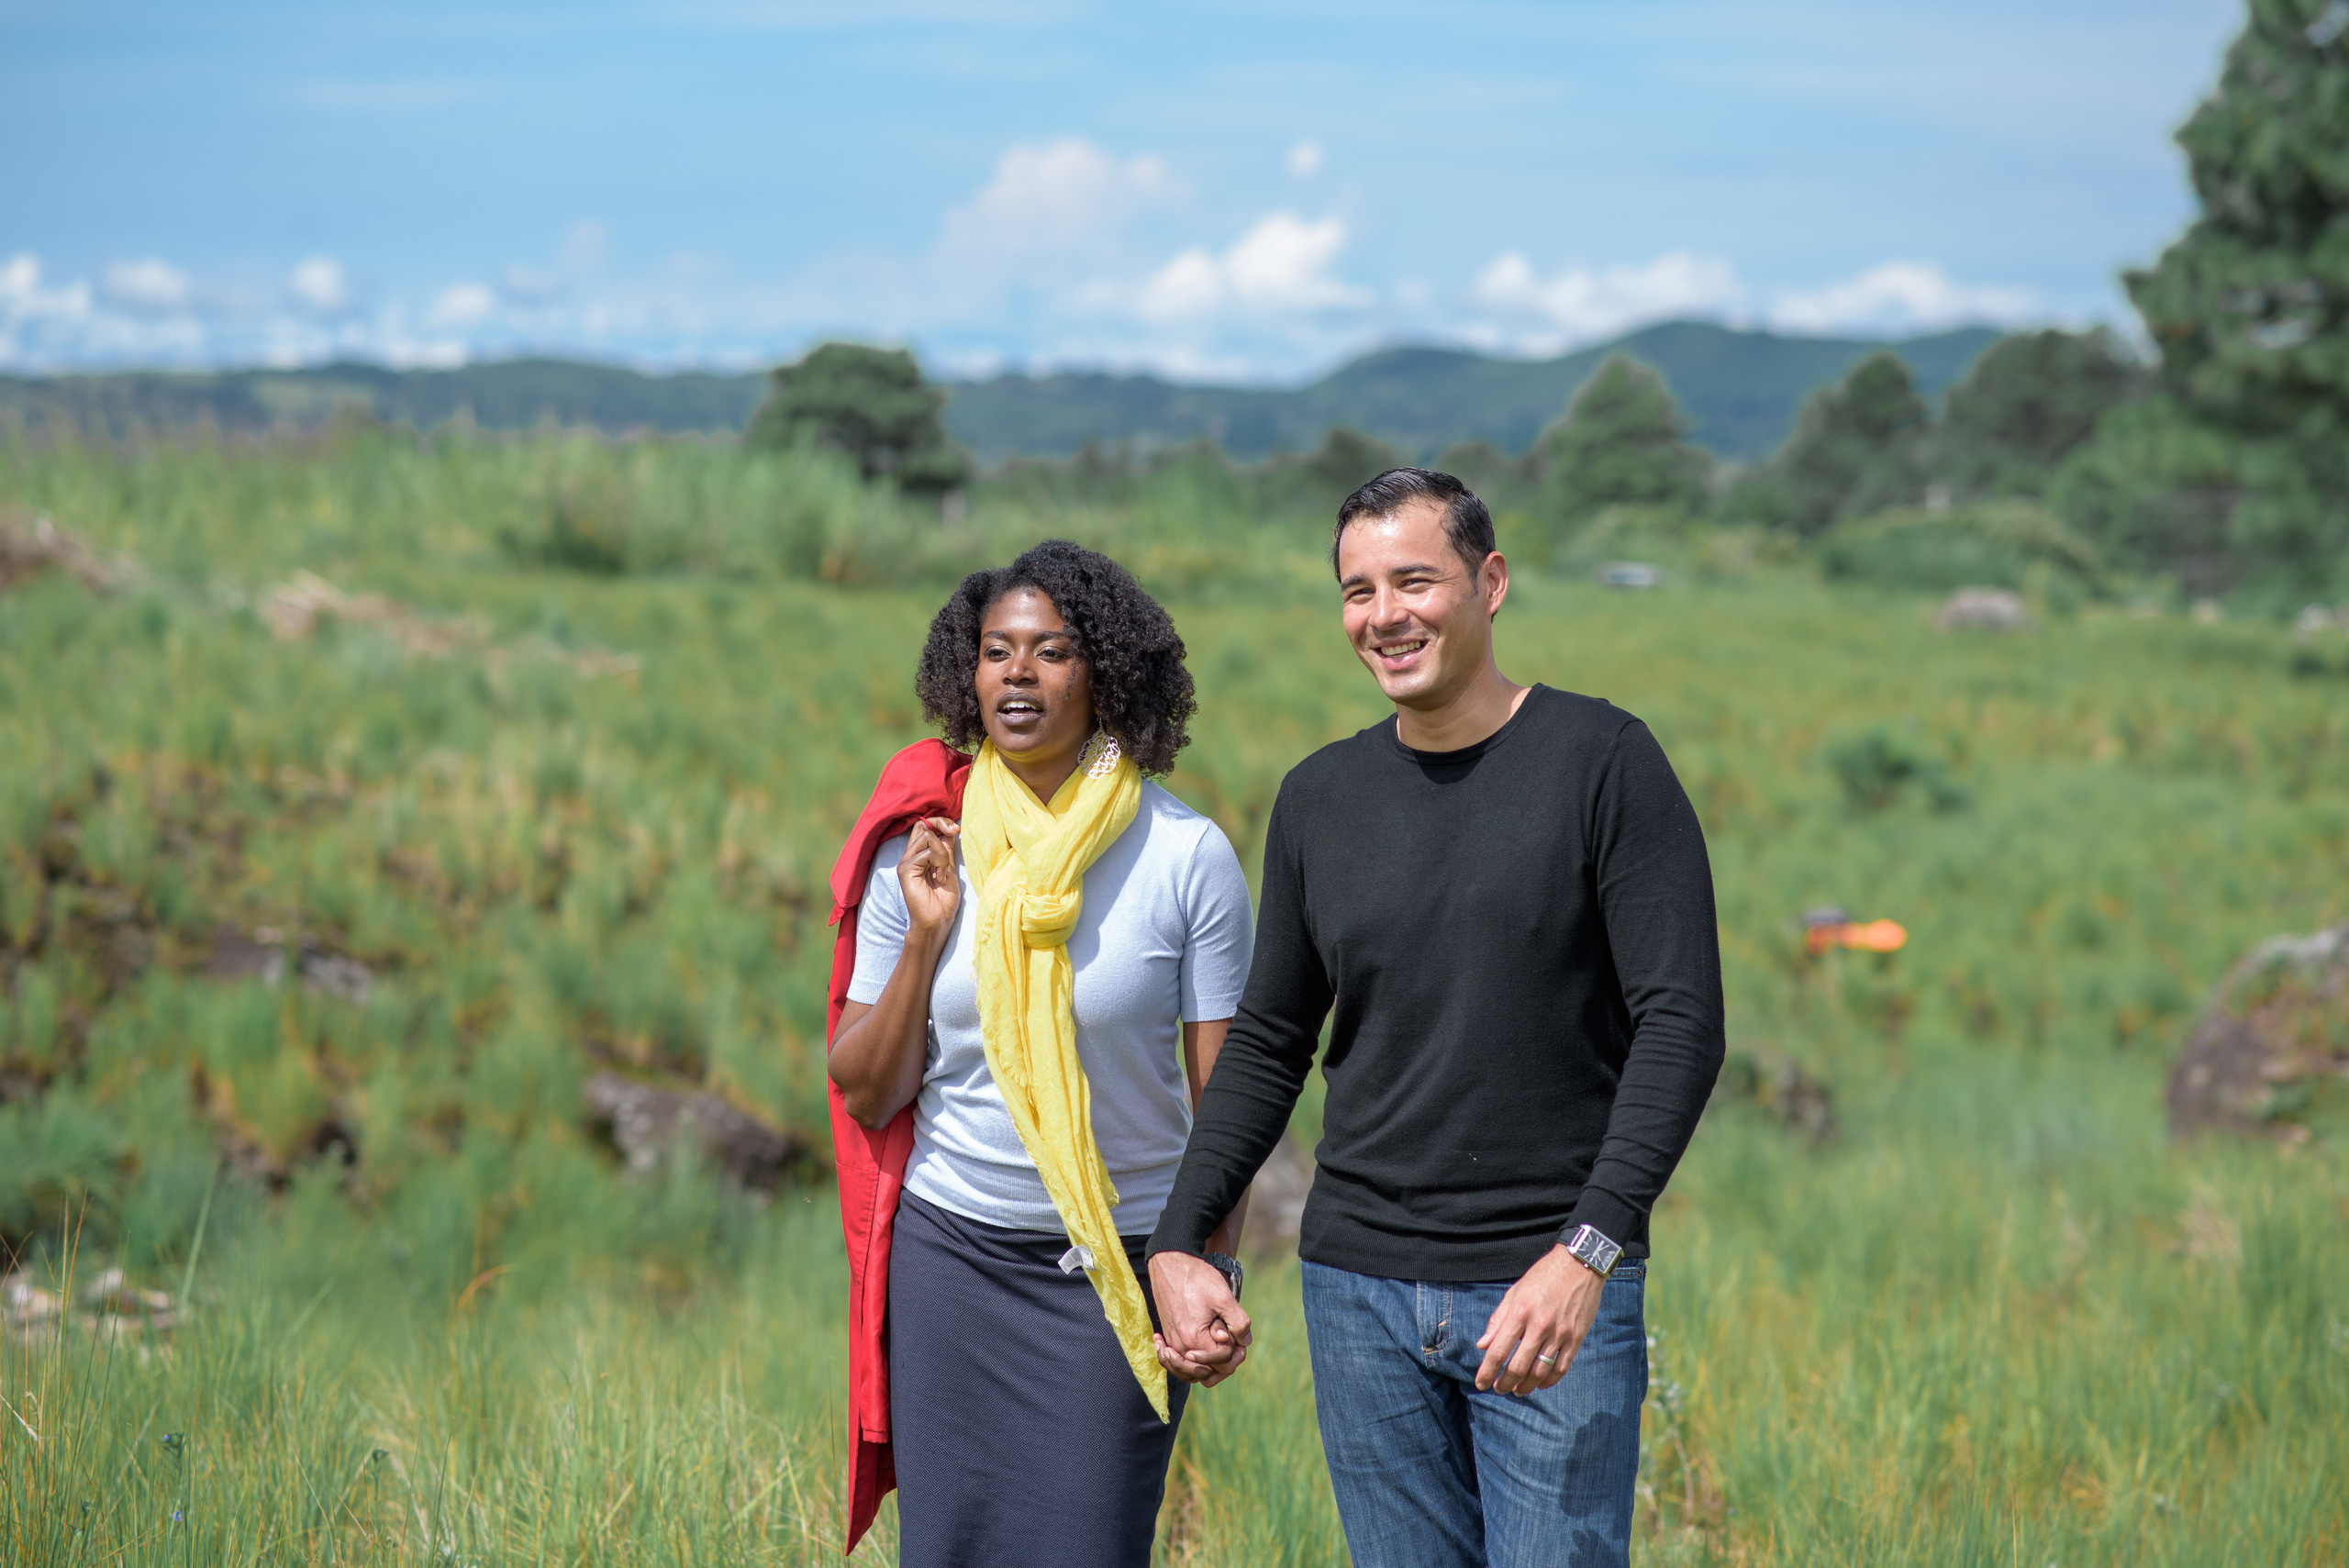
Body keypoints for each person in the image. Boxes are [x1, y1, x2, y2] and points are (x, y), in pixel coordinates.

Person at [1146, 469, 1726, 1568]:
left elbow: (1681, 1022)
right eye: (1357, 590)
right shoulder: (1319, 797)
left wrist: (1587, 1251)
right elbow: (1268, 1041)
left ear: (1489, 582)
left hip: (1547, 1287)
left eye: (1413, 580)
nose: (1384, 615)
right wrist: (1180, 1238)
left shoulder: (1603, 763)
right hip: (1356, 1294)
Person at [826, 539, 1254, 1568]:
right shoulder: (921, 848)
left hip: (1115, 1269)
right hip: (951, 1264)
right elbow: (865, 1086)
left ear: (1108, 673)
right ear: (966, 674)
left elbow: (1229, 1105)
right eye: (996, 650)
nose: (1018, 671)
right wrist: (926, 935)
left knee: (1088, 1545)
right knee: (950, 1549)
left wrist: (1208, 1267)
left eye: (1052, 650)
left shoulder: (1185, 856)